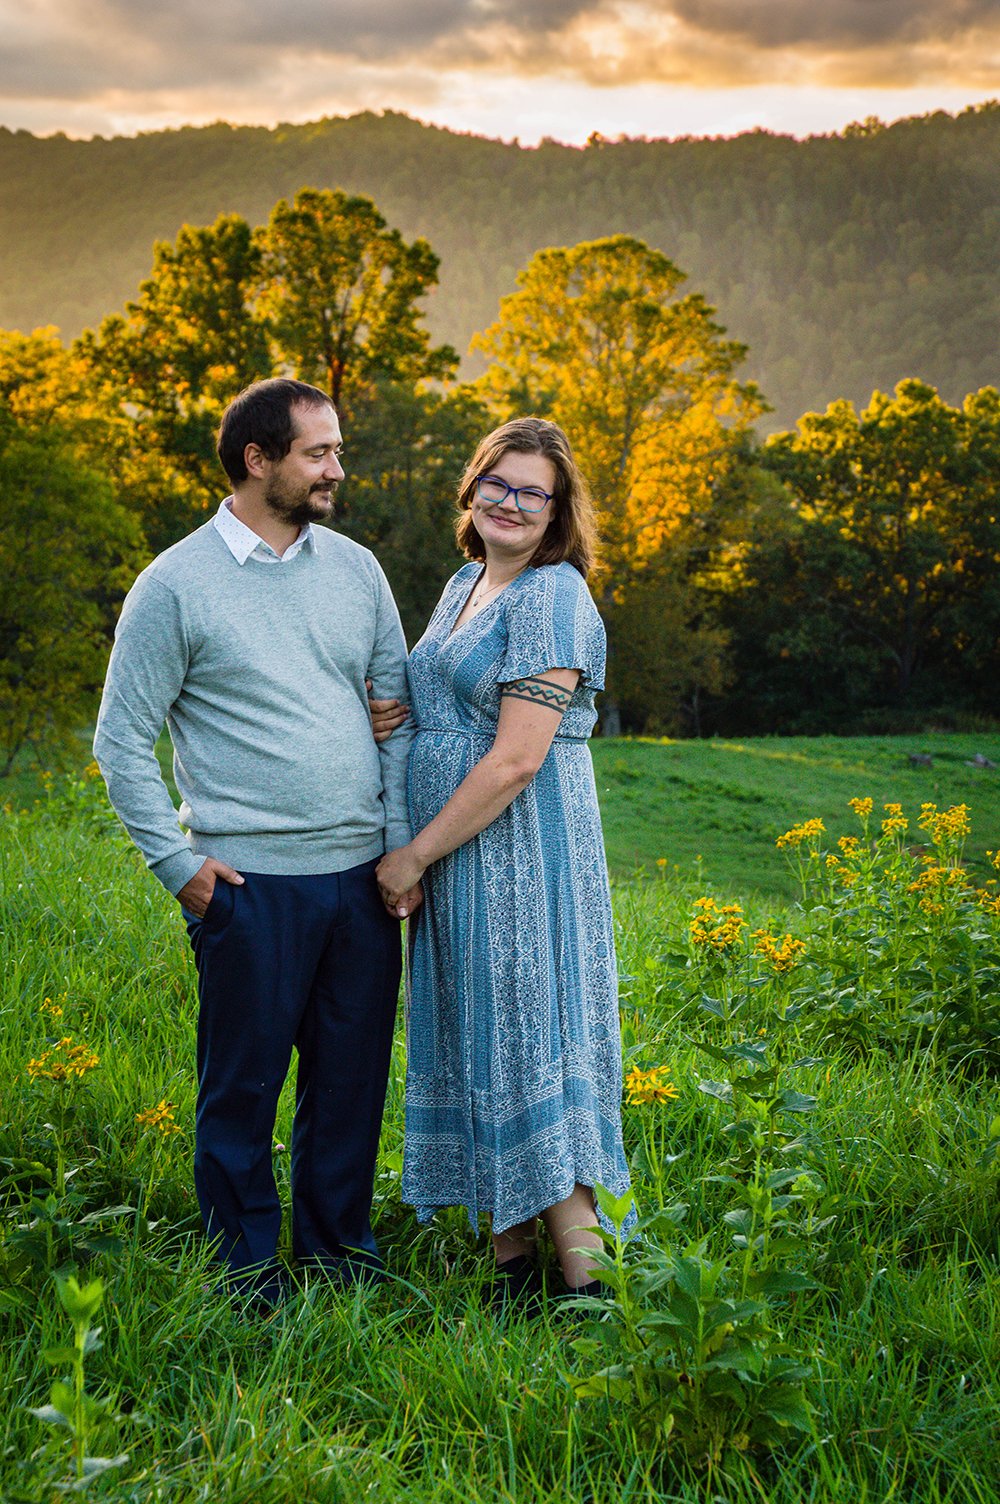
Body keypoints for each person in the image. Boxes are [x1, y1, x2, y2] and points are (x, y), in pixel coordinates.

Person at [94, 378, 419, 1307]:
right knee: (241, 1092)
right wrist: (181, 867)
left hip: (361, 880)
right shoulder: (175, 585)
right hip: (249, 884)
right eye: (319, 453)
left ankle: (336, 1255)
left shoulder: (356, 570)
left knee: (350, 1085)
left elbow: (394, 719)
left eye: (337, 451)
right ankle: (244, 1275)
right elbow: (120, 740)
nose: (337, 470)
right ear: (257, 460)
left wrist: (398, 850)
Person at [374, 416, 632, 1307]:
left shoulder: (553, 596)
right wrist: (383, 710)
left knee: (528, 1045)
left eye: (534, 492)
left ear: (558, 512)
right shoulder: (464, 583)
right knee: (481, 1039)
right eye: (499, 483)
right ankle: (510, 1272)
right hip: (462, 859)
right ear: (472, 489)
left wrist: (413, 853)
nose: (512, 503)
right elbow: (431, 692)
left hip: (519, 856)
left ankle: (590, 1292)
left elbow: (519, 757)